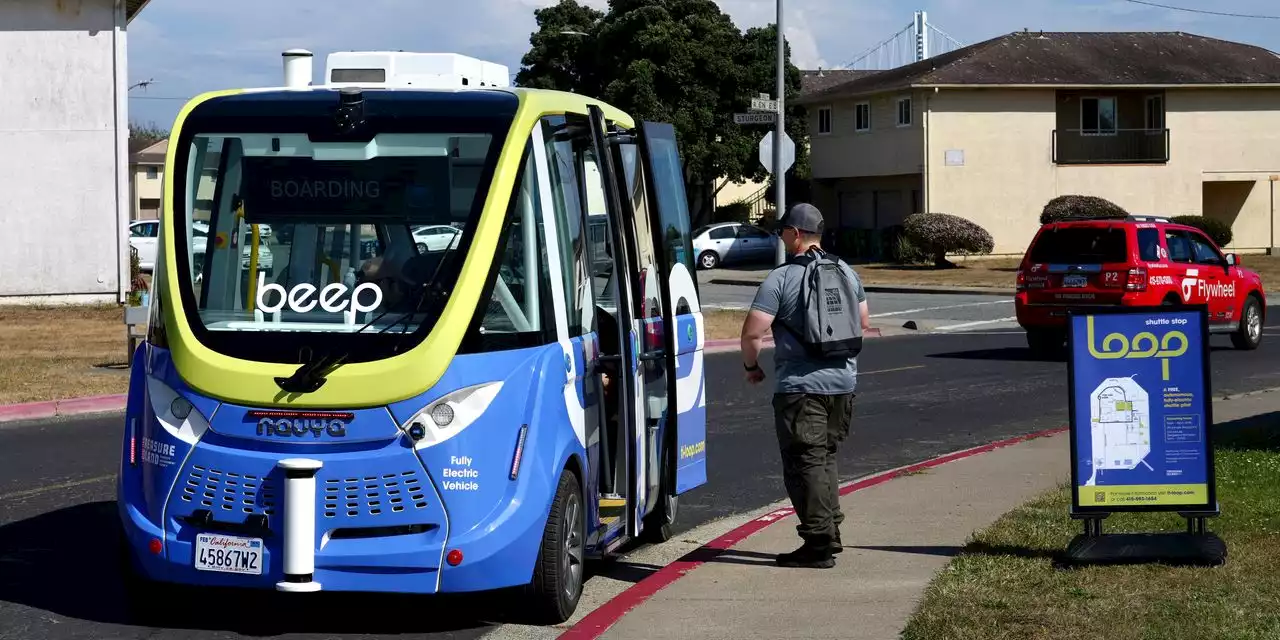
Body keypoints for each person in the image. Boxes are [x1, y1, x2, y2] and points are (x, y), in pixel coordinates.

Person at [739, 202, 871, 569]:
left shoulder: (780, 278)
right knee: (825, 458)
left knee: (803, 464)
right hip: (843, 383)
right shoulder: (846, 271)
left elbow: (753, 331)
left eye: (784, 231)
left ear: (795, 234)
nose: (782, 236)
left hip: (801, 386)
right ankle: (830, 532)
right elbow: (862, 321)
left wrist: (752, 365)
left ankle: (818, 542)